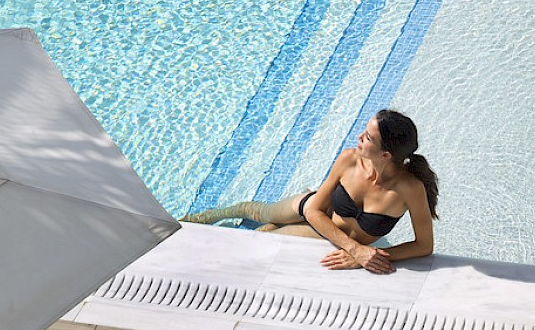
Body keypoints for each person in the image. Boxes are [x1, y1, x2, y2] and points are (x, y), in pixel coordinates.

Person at [181, 109, 438, 275]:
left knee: (263, 237)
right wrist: (354, 249)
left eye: (367, 137)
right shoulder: (349, 159)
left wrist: (367, 256)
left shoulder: (409, 189)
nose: (358, 136)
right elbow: (315, 209)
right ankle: (202, 218)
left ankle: (201, 249)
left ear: (385, 155)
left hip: (323, 232)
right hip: (314, 209)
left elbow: (423, 245)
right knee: (257, 211)